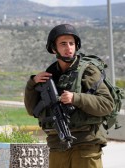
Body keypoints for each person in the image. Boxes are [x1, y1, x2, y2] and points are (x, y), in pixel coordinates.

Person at [24, 24, 114, 168]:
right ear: (54, 49)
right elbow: (32, 110)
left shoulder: (88, 71)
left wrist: (76, 98)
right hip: (57, 145)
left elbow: (107, 104)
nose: (68, 48)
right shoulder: (50, 74)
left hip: (85, 145)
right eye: (63, 44)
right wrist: (32, 84)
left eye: (72, 43)